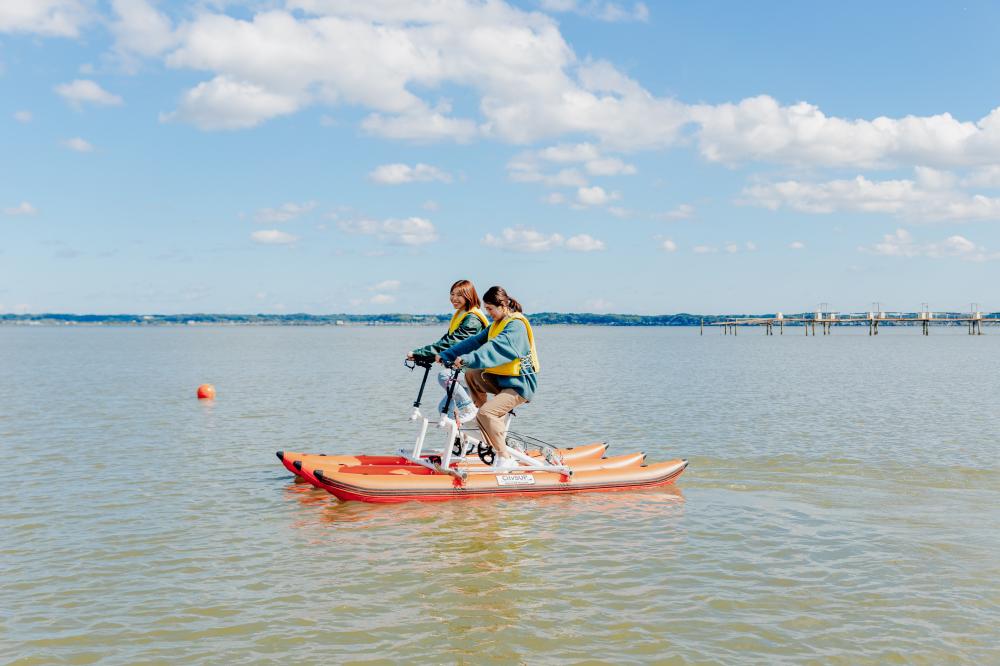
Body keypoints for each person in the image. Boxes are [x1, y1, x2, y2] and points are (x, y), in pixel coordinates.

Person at [437, 286, 538, 469]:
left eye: (490, 309)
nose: (489, 313)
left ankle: (505, 457)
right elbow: (473, 342)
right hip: (501, 380)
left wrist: (469, 359)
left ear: (502, 305)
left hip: (520, 386)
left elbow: (495, 348)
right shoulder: (496, 325)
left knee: (487, 413)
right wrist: (448, 355)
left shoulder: (516, 326)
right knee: (472, 373)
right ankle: (483, 417)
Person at [407, 279, 488, 423]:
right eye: (452, 294)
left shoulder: (472, 320)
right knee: (444, 409)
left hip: (475, 371)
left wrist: (419, 353)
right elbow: (444, 343)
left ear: (469, 296)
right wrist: (426, 357)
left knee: (445, 377)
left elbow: (452, 342)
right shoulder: (462, 315)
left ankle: (468, 408)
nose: (454, 298)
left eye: (459, 295)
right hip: (463, 369)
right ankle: (459, 442)